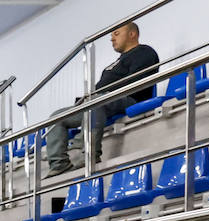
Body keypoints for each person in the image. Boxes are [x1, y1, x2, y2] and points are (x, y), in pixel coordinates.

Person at [47, 21, 159, 176]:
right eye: (111, 35)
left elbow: (138, 81)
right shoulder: (114, 64)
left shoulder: (144, 52)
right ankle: (59, 164)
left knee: (95, 101)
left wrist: (102, 95)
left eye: (116, 34)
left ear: (132, 34)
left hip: (128, 98)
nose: (112, 38)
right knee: (56, 117)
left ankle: (88, 153)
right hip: (101, 102)